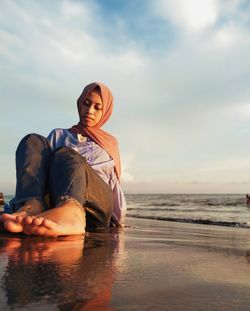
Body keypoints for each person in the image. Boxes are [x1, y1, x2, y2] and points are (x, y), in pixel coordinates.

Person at [0, 82, 126, 237]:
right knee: (32, 140)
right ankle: (32, 205)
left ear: (105, 111)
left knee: (68, 155)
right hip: (56, 199)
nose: (90, 111)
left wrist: (119, 222)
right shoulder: (59, 135)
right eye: (86, 104)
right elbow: (38, 172)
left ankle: (72, 214)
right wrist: (10, 208)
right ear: (79, 105)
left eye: (97, 107)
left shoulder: (109, 143)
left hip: (96, 203)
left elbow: (114, 184)